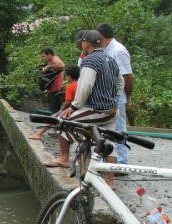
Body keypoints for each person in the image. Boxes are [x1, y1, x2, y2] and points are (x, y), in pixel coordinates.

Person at [49, 30, 123, 189]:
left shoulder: (89, 61)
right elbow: (120, 82)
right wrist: (115, 99)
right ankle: (109, 181)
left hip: (97, 109)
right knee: (109, 141)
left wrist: (74, 107)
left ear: (86, 43)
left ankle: (63, 157)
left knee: (63, 121)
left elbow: (85, 86)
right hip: (112, 110)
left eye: (82, 43)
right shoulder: (110, 59)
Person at [96, 22, 134, 164]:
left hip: (118, 95)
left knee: (119, 130)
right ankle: (107, 160)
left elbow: (128, 76)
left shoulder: (118, 50)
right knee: (107, 129)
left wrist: (127, 96)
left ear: (102, 36)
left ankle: (122, 162)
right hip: (107, 96)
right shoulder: (106, 50)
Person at [28, 64, 80, 140]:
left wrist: (62, 109)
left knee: (53, 117)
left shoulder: (70, 87)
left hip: (71, 109)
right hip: (79, 108)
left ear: (69, 76)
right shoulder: (81, 84)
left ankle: (39, 134)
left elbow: (68, 102)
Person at [40, 47, 66, 113]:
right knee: (52, 107)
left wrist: (49, 67)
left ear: (49, 54)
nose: (44, 58)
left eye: (44, 56)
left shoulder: (55, 58)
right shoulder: (50, 61)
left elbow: (62, 66)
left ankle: (54, 121)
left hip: (56, 88)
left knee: (55, 108)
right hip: (52, 88)